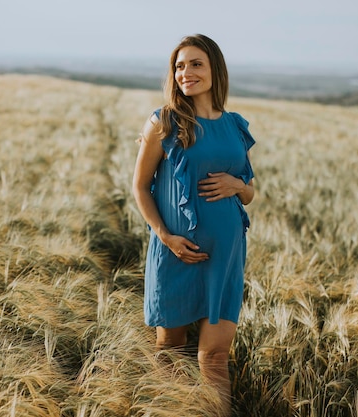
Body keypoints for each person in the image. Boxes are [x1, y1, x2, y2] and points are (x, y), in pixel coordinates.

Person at [132, 34, 256, 415]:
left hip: (226, 255)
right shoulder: (165, 121)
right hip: (176, 253)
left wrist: (238, 185)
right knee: (170, 350)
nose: (186, 72)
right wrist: (165, 236)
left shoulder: (235, 125)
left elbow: (250, 192)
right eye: (179, 66)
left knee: (214, 356)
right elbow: (140, 186)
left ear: (215, 69)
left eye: (196, 64)